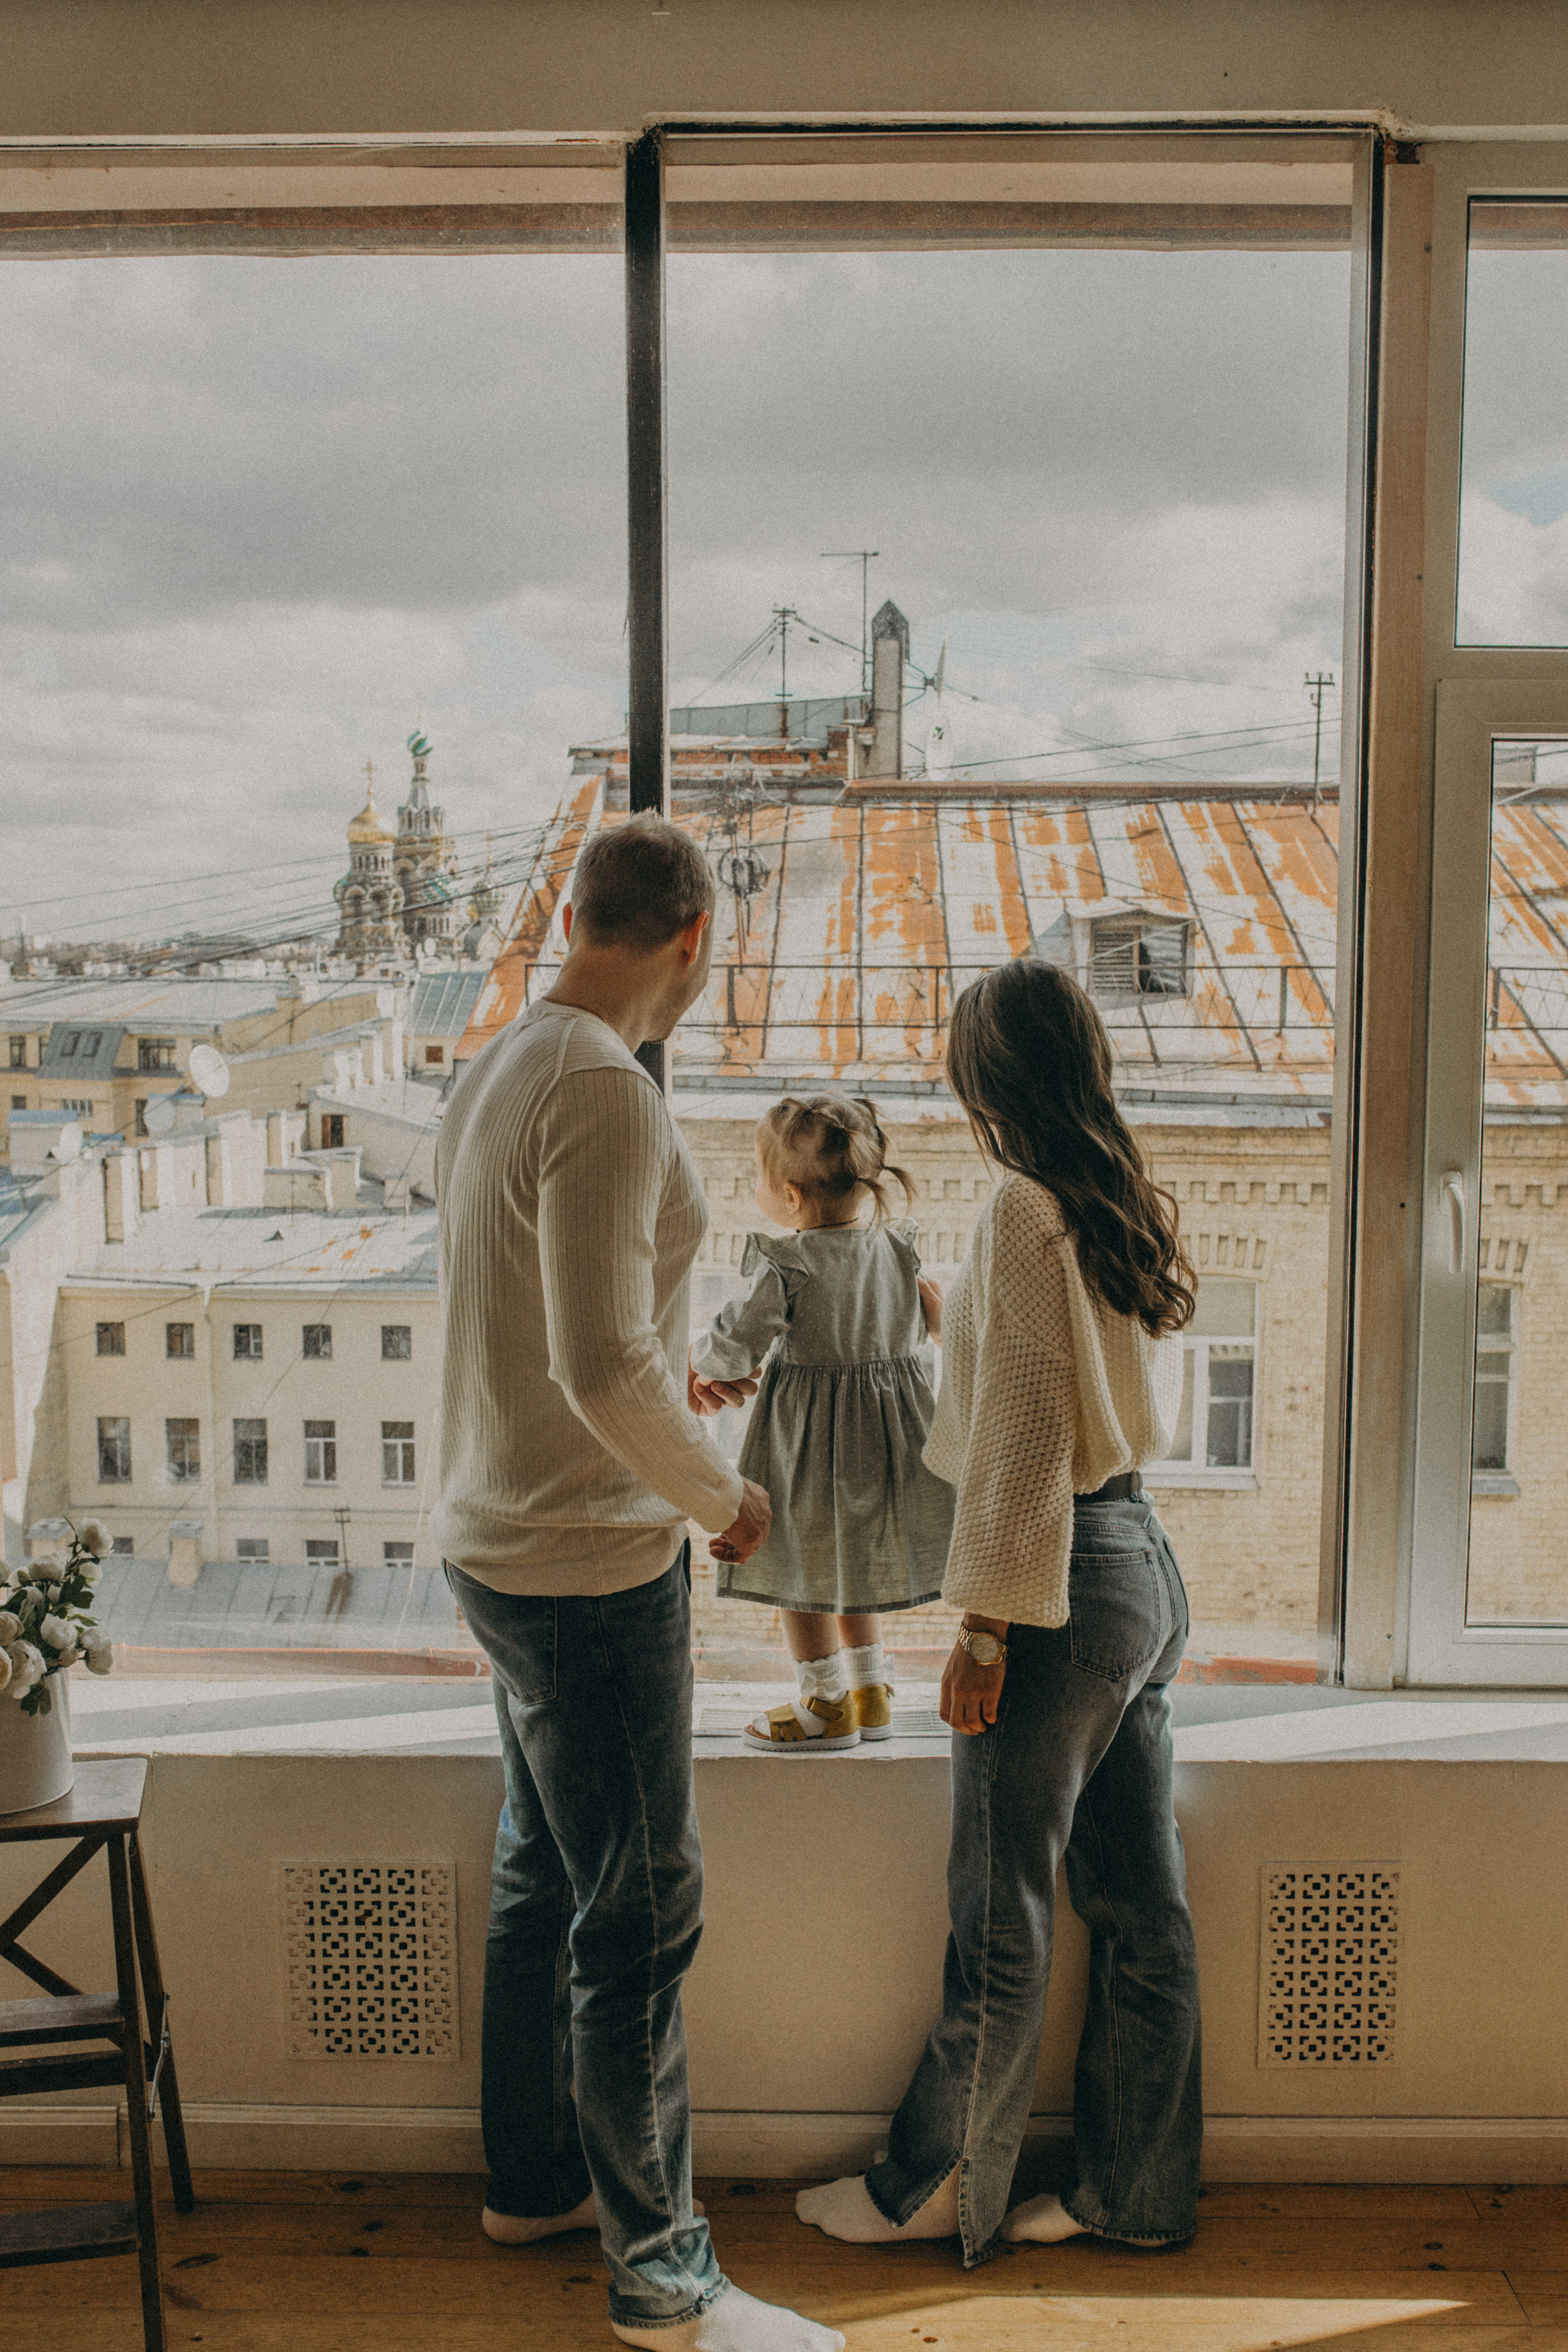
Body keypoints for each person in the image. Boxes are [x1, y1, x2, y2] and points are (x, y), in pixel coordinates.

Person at [433, 812, 843, 2352]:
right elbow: (597, 1361)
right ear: (691, 939)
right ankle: (664, 2280)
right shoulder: (604, 1085)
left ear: (576, 920)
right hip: (585, 1559)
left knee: (543, 1872)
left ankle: (534, 2180)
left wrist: (662, 1392)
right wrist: (720, 1495)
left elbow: (548, 1319)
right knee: (644, 1914)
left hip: (499, 1533)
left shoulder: (498, 1063)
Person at [794, 956, 1202, 2268]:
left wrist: (981, 1630)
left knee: (999, 1915)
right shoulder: (1106, 1191)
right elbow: (1064, 1378)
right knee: (1138, 1910)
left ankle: (925, 2185)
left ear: (991, 1078)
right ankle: (1131, 2195)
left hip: (1057, 1588)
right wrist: (948, 1318)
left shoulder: (1020, 1206)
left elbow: (1026, 1433)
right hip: (1140, 1566)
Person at [689, 1093, 956, 1752]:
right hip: (889, 1440)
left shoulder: (789, 1264)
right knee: (855, 1566)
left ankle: (825, 1702)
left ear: (789, 1195)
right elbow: (924, 1324)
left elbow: (736, 1345)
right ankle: (870, 1692)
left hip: (808, 1444)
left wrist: (697, 1363)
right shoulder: (897, 1248)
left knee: (801, 1573)